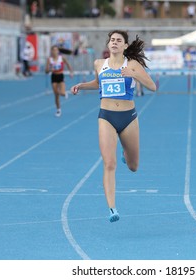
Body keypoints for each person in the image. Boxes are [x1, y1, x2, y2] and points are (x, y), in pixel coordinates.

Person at [70, 30, 156, 222]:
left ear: (125, 45)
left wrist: (133, 74)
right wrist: (82, 86)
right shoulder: (99, 64)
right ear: (108, 45)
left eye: (119, 40)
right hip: (106, 116)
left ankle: (127, 155)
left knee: (133, 166)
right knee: (109, 163)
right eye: (112, 40)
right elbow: (98, 83)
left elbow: (152, 86)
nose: (115, 42)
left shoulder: (132, 64)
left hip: (128, 117)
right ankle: (112, 208)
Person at [45, 45, 73, 117]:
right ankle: (58, 110)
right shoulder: (49, 59)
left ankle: (65, 93)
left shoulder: (62, 58)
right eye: (53, 50)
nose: (55, 52)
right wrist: (49, 70)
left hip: (60, 76)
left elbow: (68, 64)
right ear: (51, 51)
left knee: (62, 93)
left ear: (58, 51)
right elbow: (46, 71)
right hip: (54, 76)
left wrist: (71, 72)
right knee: (56, 94)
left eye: (56, 50)